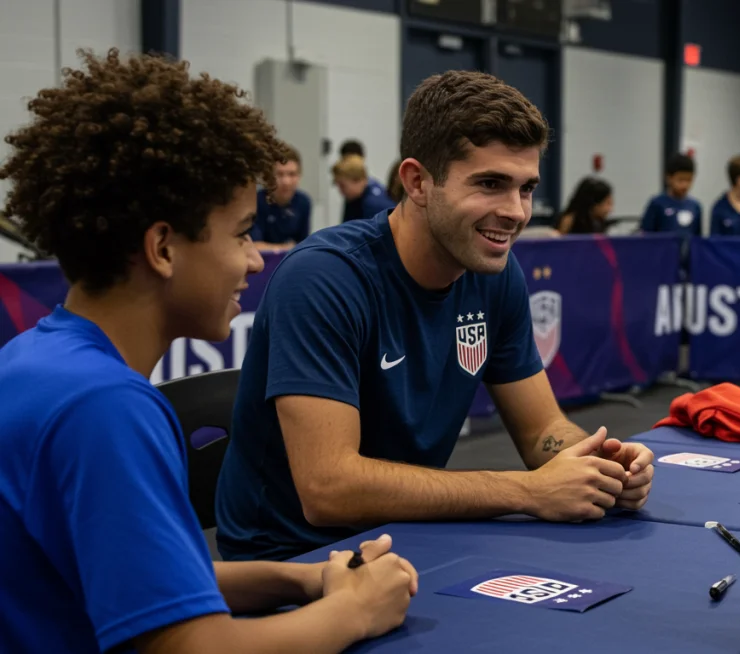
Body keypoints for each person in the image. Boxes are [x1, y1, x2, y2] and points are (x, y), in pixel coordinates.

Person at [0, 49, 416, 654]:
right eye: (243, 233)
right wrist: (355, 611)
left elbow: (150, 581)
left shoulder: (32, 361)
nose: (254, 258)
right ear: (163, 248)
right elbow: (190, 646)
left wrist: (303, 579)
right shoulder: (107, 408)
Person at [215, 70, 655, 562]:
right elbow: (329, 490)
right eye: (490, 184)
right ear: (417, 181)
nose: (515, 212)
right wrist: (528, 491)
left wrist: (600, 462)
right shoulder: (324, 279)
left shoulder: (495, 273)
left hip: (412, 540)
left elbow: (541, 431)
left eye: (526, 188)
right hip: (294, 560)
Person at [252, 144, 311, 251]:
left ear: (299, 176)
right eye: (279, 174)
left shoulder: (304, 202)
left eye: (292, 174)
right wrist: (286, 248)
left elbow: (304, 245)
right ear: (268, 176)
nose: (286, 182)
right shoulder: (256, 202)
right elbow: (254, 246)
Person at [640, 153, 702, 235]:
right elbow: (646, 235)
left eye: (689, 180)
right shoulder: (657, 204)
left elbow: (698, 238)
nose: (685, 185)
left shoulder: (695, 206)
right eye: (681, 180)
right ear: (669, 178)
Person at [333, 154, 394, 222]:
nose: (340, 190)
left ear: (358, 180)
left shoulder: (374, 204)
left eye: (342, 185)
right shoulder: (354, 197)